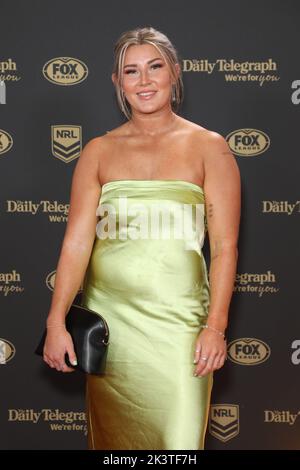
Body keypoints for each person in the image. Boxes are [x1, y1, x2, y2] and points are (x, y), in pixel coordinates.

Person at [43, 26, 241, 450]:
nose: (145, 81)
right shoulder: (97, 151)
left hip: (180, 327)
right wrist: (56, 321)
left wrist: (216, 327)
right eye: (131, 72)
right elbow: (77, 244)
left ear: (175, 72)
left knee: (178, 447)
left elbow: (224, 248)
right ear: (118, 83)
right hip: (112, 327)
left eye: (155, 67)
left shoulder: (210, 147)